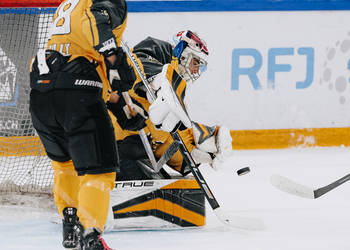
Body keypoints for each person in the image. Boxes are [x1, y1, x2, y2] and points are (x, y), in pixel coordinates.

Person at [29, 0, 135, 249]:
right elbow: (96, 20)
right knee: (98, 170)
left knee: (65, 166)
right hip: (78, 96)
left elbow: (76, 50)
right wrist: (114, 56)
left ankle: (71, 223)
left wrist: (115, 97)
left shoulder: (68, 2)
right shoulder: (103, 2)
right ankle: (91, 234)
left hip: (42, 95)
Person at [106, 30, 233, 181]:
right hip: (108, 143)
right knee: (132, 155)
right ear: (182, 53)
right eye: (195, 62)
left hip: (131, 146)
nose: (196, 70)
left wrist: (195, 153)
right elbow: (149, 82)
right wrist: (200, 131)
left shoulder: (173, 96)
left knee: (144, 163)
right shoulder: (144, 57)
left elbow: (167, 136)